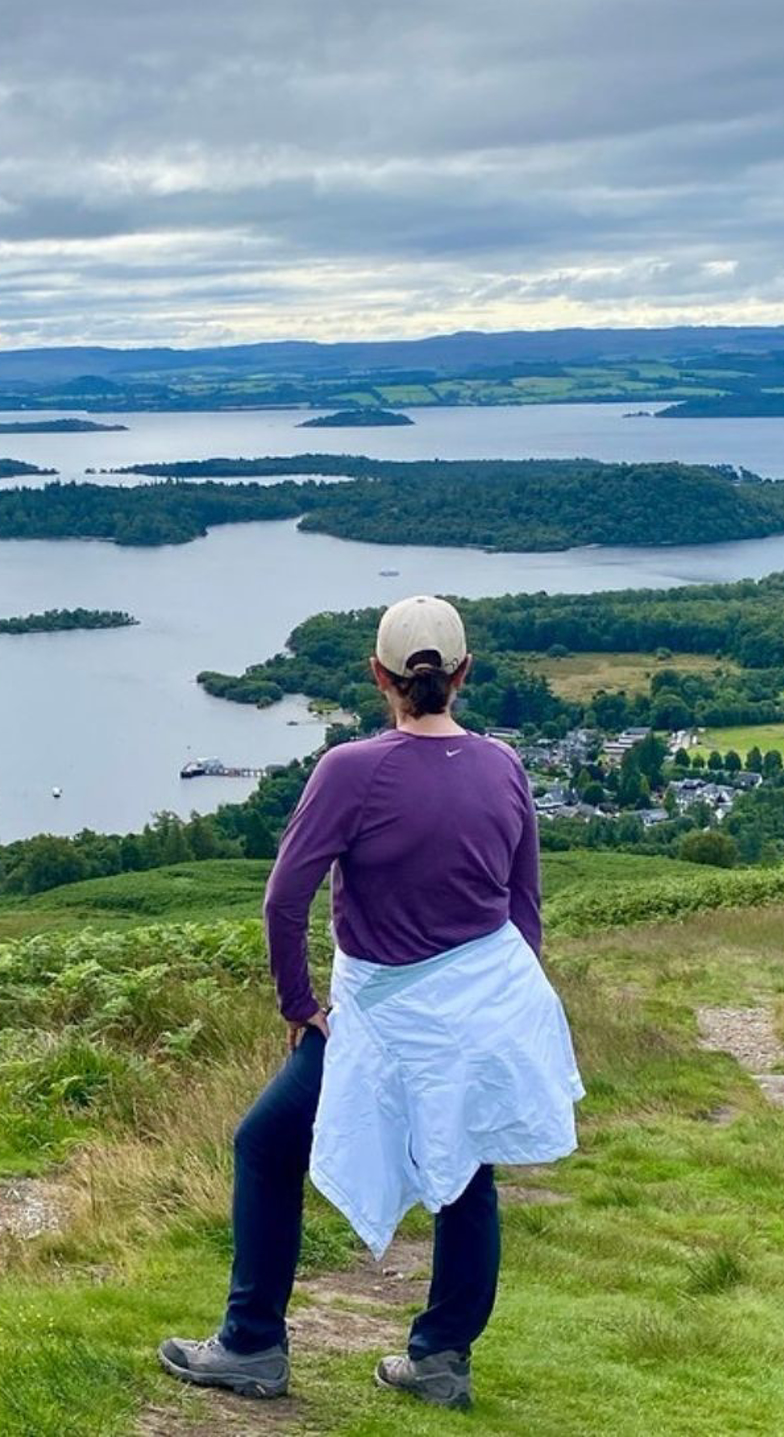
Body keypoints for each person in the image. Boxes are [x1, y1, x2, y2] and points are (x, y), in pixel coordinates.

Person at [159, 594, 583, 1410]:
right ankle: (441, 1359)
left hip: (379, 1017)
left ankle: (251, 1344)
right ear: (463, 673)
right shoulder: (504, 764)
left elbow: (285, 900)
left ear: (378, 675)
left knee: (263, 1145)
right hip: (476, 1011)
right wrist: (495, 1008)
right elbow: (524, 907)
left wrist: (298, 1004)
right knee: (466, 1165)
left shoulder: (351, 769)